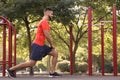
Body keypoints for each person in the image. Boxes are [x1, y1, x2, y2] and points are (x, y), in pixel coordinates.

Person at [6, 7, 60, 78]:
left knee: (55, 53)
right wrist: (51, 44)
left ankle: (52, 72)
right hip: (37, 45)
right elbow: (47, 35)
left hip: (41, 45)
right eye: (51, 14)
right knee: (31, 63)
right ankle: (10, 70)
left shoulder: (44, 22)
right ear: (47, 13)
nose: (52, 15)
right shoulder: (44, 22)